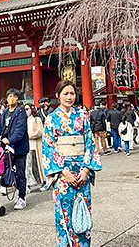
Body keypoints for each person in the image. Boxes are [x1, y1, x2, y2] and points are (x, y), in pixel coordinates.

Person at [42, 80, 102, 247]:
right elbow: (49, 148)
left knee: (82, 212)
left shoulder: (82, 117)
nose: (69, 97)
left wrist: (86, 170)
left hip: (82, 172)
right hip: (62, 175)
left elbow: (90, 143)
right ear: (57, 96)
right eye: (65, 93)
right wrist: (63, 172)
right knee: (64, 214)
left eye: (72, 93)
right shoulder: (51, 119)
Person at [0, 88, 30, 210]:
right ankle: (16, 187)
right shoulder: (5, 112)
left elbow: (20, 130)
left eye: (14, 96)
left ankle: (22, 197)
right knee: (1, 169)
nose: (11, 98)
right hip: (6, 148)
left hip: (19, 148)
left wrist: (10, 140)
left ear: (17, 98)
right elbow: (0, 128)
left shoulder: (21, 112)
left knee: (20, 173)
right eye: (9, 96)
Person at [26, 104, 45, 188]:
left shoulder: (37, 119)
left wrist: (30, 135)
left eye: (27, 109)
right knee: (29, 165)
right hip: (27, 145)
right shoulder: (24, 120)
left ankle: (43, 180)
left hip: (36, 144)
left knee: (37, 164)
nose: (26, 111)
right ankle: (29, 182)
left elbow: (40, 131)